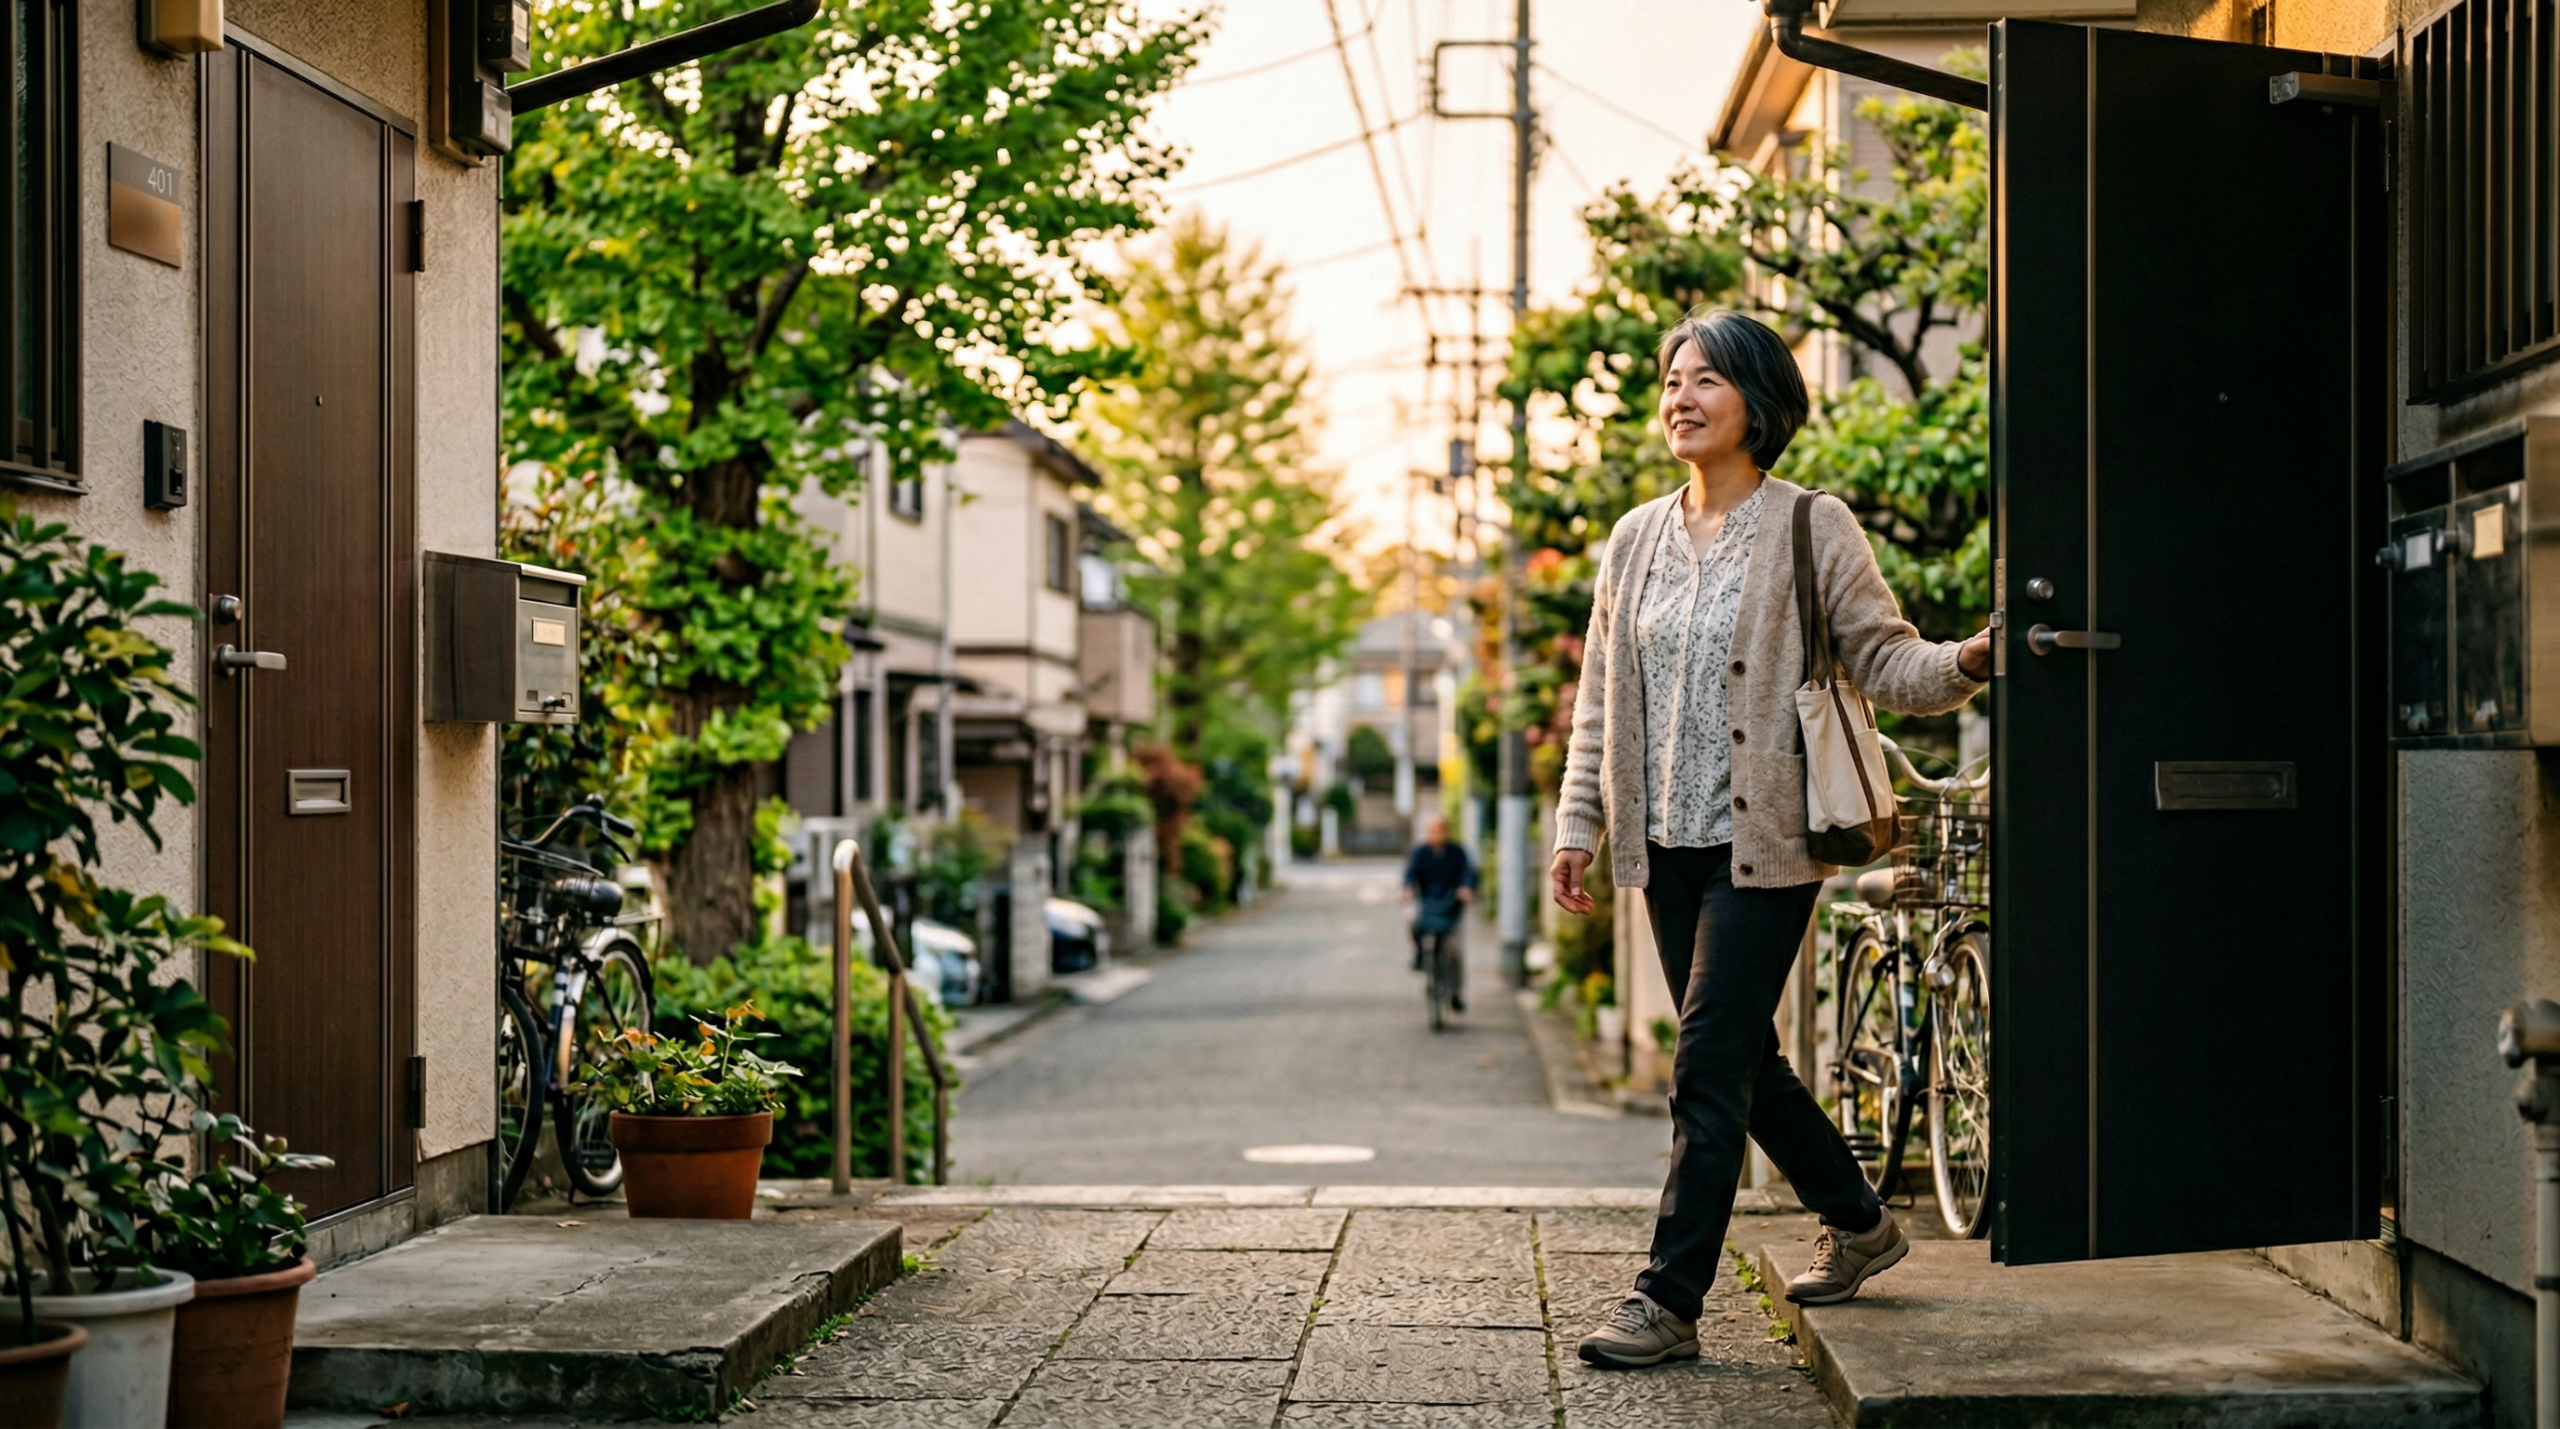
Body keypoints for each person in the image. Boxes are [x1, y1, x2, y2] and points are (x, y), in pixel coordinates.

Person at [1553, 310, 1991, 1369]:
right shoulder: (1633, 539)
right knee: (1747, 1065)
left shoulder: (1811, 525)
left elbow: (1883, 661)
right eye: (1670, 379)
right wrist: (1578, 824)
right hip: (1663, 845)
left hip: (1768, 843)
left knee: (1704, 1064)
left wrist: (1970, 660)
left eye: (1706, 378)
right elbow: (1599, 699)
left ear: (1759, 398)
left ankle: (1666, 1299)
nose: (1681, 397)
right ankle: (1861, 1221)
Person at [1402, 816, 1476, 1012]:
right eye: (1433, 831)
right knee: (1411, 920)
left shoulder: (1457, 852)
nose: (1437, 835)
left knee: (1454, 950)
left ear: (1448, 832)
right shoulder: (1420, 853)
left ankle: (1456, 993)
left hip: (1452, 906)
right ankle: (1419, 954)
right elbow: (1410, 874)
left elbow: (1468, 873)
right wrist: (1408, 889)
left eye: (1440, 831)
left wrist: (1466, 888)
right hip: (1426, 903)